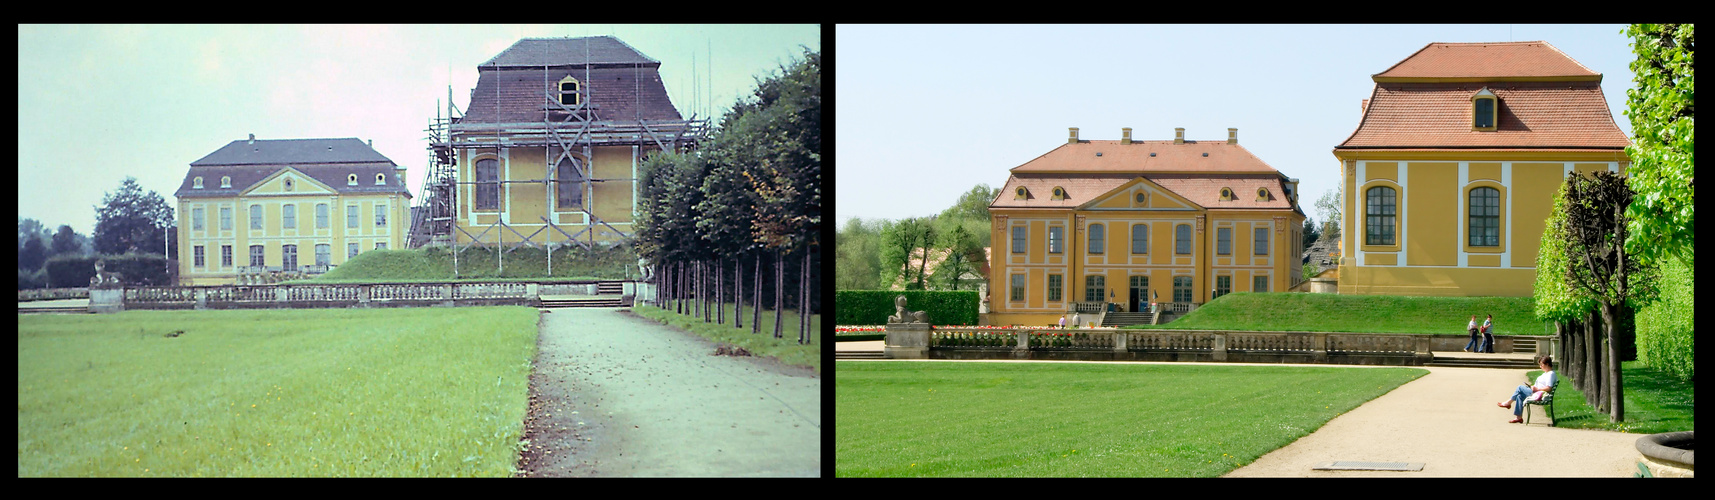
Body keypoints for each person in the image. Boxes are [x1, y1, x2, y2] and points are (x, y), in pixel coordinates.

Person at [1498, 356, 1557, 423]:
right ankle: (1518, 417)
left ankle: (1508, 403)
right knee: (1519, 396)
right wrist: (1533, 387)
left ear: (1547, 364)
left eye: (1541, 365)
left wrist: (1537, 389)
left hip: (1539, 394)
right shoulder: (1546, 373)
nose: (1540, 367)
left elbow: (1549, 388)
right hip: (1536, 392)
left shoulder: (1551, 374)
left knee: (1520, 387)